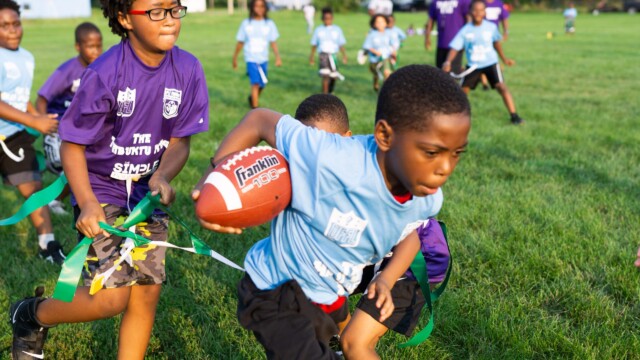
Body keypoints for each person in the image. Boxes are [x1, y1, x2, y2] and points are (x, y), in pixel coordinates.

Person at [192, 64, 471, 359]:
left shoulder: (427, 198)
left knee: (337, 347)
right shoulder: (327, 155)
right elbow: (259, 119)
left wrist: (386, 279)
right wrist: (213, 182)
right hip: (273, 291)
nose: (445, 168)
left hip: (327, 294)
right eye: (431, 152)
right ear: (385, 136)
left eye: (456, 153)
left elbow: (416, 231)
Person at [9, 1, 209, 359]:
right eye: (156, 11)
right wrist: (85, 202)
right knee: (110, 299)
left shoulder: (189, 68)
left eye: (174, 9)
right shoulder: (105, 73)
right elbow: (72, 146)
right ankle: (30, 315)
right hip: (100, 187)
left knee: (146, 292)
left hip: (146, 193)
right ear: (123, 18)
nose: (169, 21)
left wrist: (162, 174)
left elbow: (180, 142)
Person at [0, 0, 65, 264]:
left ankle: (46, 245)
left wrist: (38, 119)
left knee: (34, 187)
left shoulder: (27, 57)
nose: (13, 30)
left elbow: (19, 98)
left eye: (16, 23)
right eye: (4, 26)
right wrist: (32, 120)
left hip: (14, 136)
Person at [341, 219, 450, 358]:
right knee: (320, 284)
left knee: (354, 342)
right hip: (373, 244)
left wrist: (386, 279)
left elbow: (412, 231)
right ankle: (338, 336)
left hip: (416, 255)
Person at [35, 22, 103, 215]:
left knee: (90, 165)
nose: (96, 51)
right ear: (78, 46)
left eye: (99, 45)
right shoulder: (67, 71)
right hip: (62, 130)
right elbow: (42, 99)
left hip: (84, 129)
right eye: (90, 46)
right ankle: (54, 200)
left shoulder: (101, 67)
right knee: (75, 169)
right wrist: (45, 126)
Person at [443, 0, 524, 125]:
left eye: (481, 10)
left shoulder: (491, 27)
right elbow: (455, 47)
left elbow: (496, 43)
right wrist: (448, 61)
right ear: (470, 12)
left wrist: (504, 59)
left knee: (501, 87)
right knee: (462, 92)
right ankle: (455, 119)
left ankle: (514, 116)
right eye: (475, 10)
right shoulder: (465, 30)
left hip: (491, 63)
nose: (478, 13)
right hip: (473, 66)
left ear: (485, 12)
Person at [232, 0, 282, 109]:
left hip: (263, 59)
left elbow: (273, 42)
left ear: (265, 8)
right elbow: (240, 42)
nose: (259, 9)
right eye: (256, 6)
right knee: (255, 83)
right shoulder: (246, 24)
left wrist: (277, 57)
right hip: (251, 58)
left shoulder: (269, 24)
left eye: (262, 6)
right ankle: (255, 109)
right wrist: (234, 57)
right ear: (252, 8)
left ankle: (252, 98)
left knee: (262, 84)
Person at [425, 0, 471, 74]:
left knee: (453, 74)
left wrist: (467, 39)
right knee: (440, 73)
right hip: (441, 43)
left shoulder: (463, 1)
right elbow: (430, 20)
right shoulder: (436, 2)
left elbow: (468, 20)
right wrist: (427, 38)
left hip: (457, 45)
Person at [309, 7, 347, 94]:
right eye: (325, 18)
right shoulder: (318, 30)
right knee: (325, 75)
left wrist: (344, 55)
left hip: (333, 55)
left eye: (329, 18)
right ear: (322, 19)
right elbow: (314, 44)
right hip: (323, 55)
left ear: (332, 18)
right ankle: (325, 95)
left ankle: (330, 92)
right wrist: (311, 57)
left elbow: (340, 44)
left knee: (333, 75)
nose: (327, 21)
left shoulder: (337, 30)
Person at [363, 14, 397, 92]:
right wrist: (376, 52)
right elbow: (367, 46)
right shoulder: (371, 35)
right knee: (377, 74)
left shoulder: (389, 34)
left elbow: (393, 45)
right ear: (374, 24)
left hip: (386, 58)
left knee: (387, 72)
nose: (380, 24)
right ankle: (376, 83)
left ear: (386, 23)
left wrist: (393, 52)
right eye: (378, 22)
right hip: (375, 60)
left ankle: (387, 89)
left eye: (382, 21)